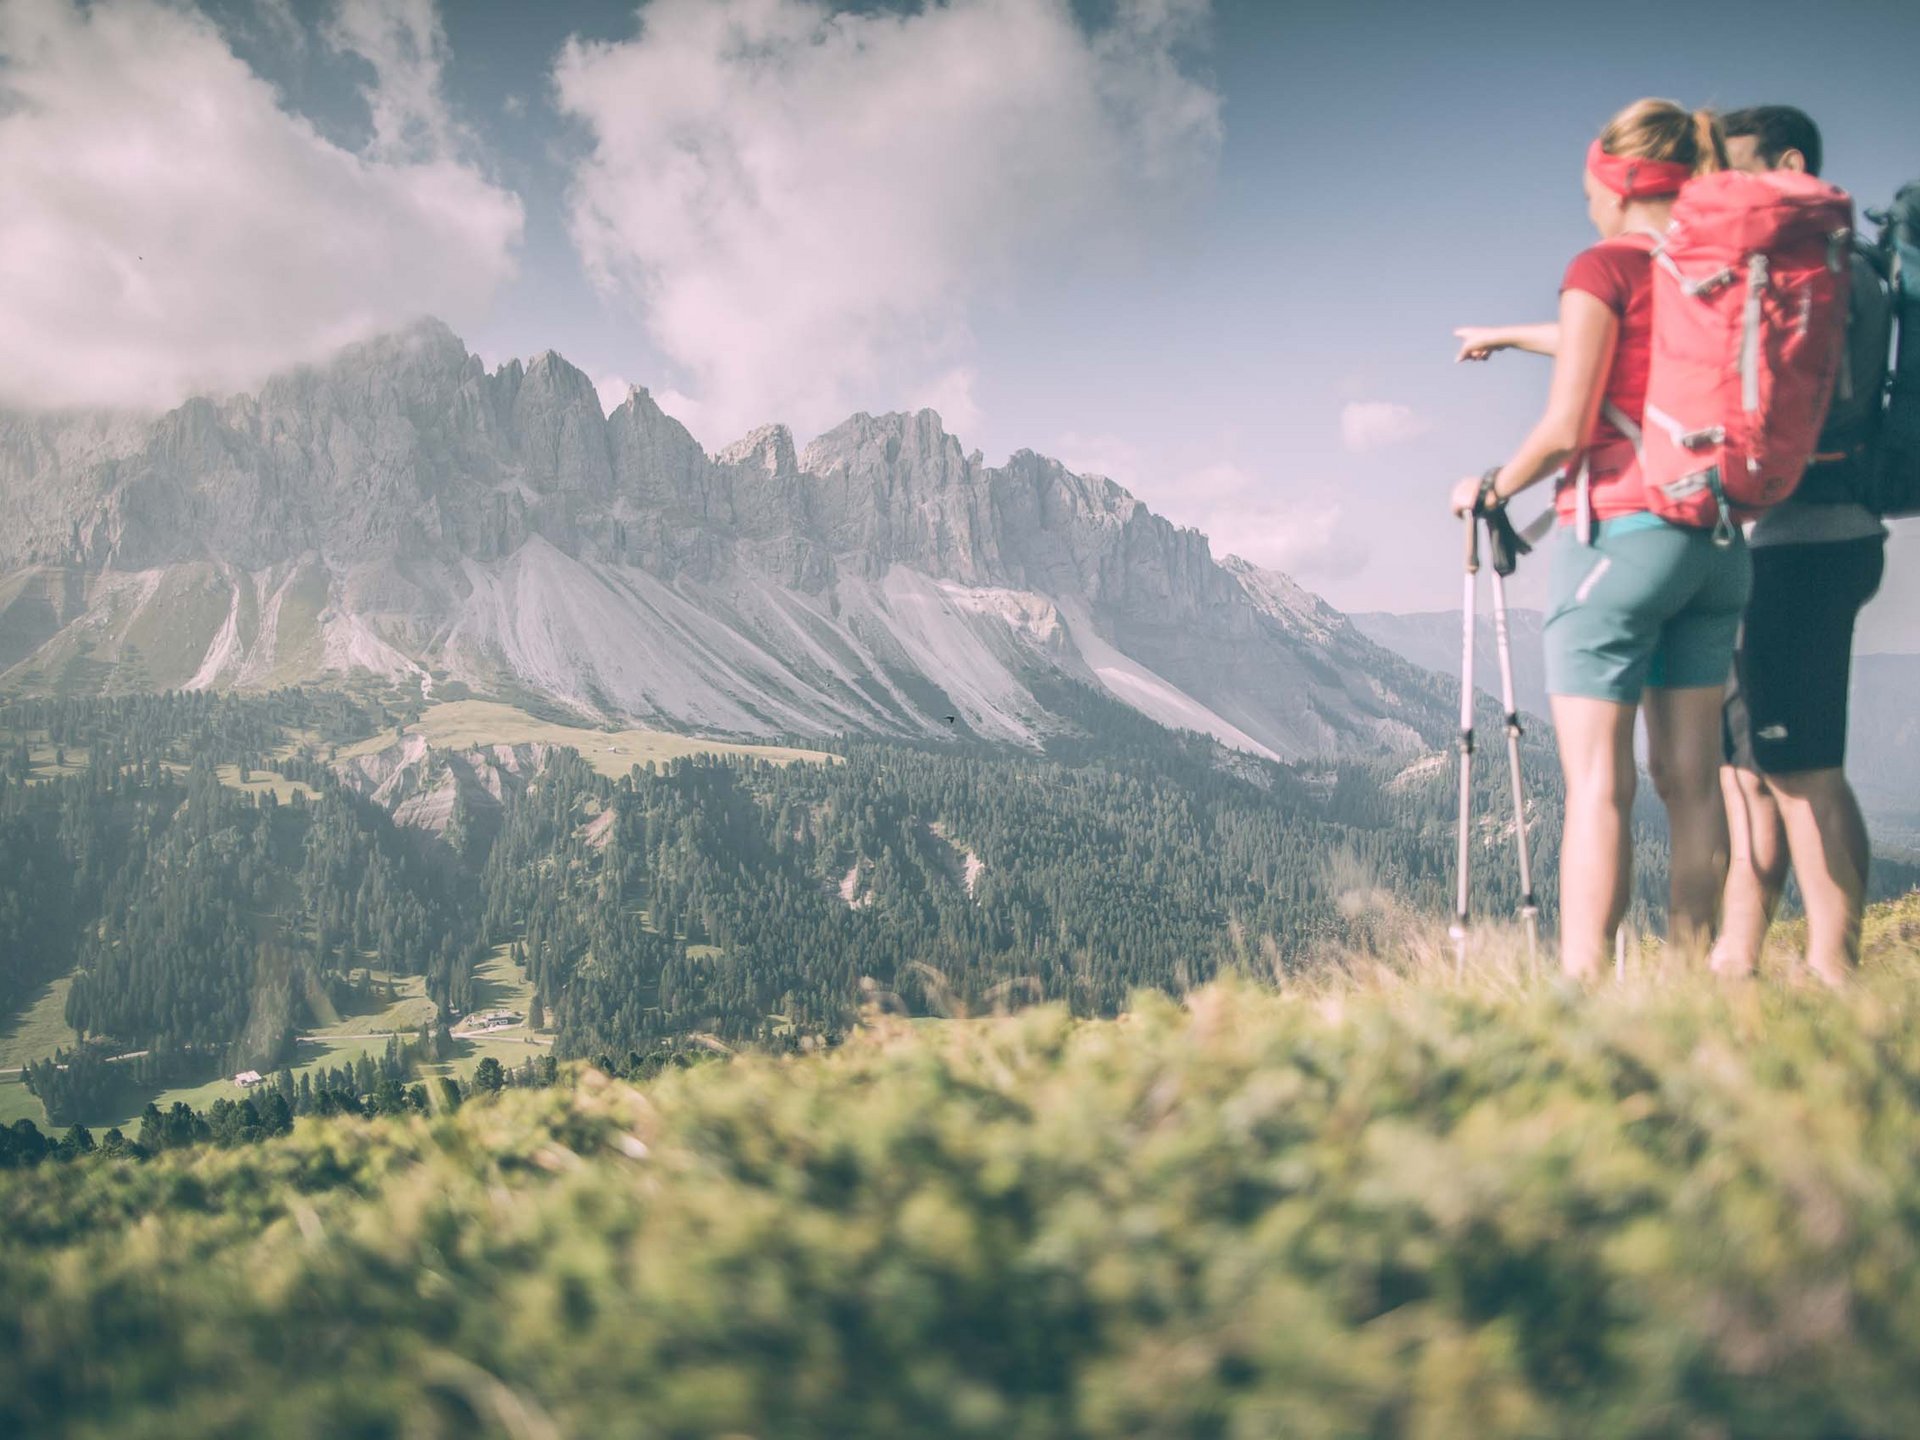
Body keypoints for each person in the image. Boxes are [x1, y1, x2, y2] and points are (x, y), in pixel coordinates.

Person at [1449, 99, 1746, 980]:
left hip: (1617, 536)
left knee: (1599, 789)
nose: (1586, 208)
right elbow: (1631, 350)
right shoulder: (1722, 271)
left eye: (1590, 191)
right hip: (1717, 542)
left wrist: (1491, 488)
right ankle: (1692, 983)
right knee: (1693, 784)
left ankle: (1585, 996)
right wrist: (1508, 334)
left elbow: (1568, 427)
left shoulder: (1603, 264)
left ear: (1620, 185)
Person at [1710, 106, 1887, 986]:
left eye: (1737, 170)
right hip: (1815, 535)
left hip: (1800, 537)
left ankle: (1834, 976)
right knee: (1757, 769)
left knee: (1797, 767)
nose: (1726, 190)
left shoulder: (1814, 273)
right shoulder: (1847, 269)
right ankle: (1736, 965)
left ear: (1787, 163)